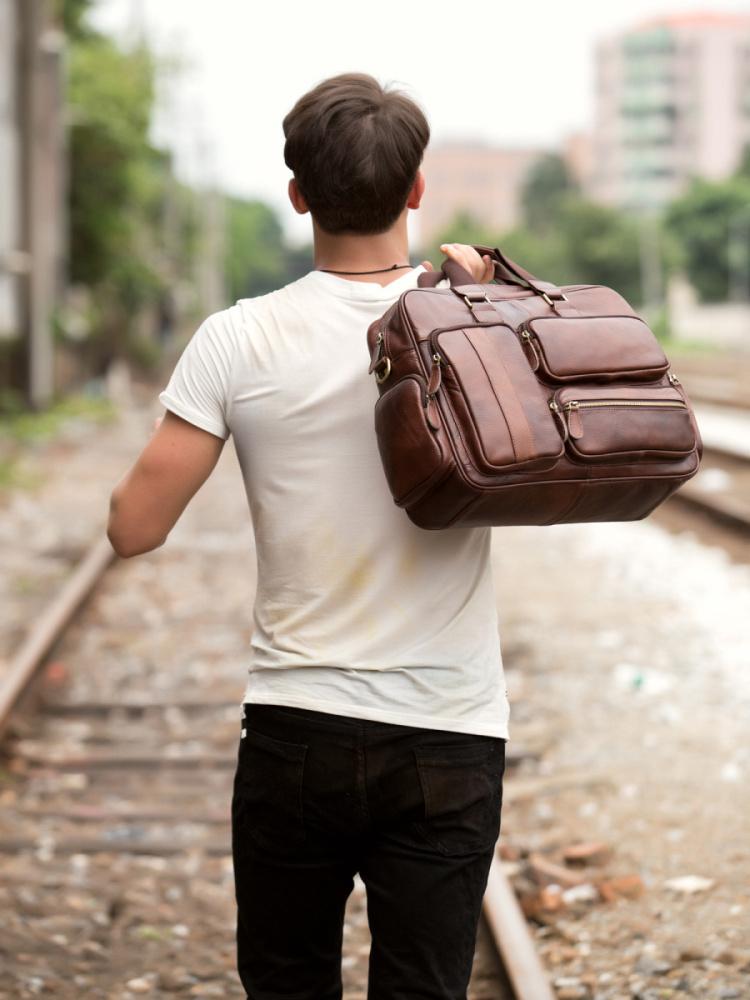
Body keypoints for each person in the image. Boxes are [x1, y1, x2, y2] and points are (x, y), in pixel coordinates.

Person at [107, 71, 510, 1000]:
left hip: (297, 734)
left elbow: (134, 529)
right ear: (415, 190)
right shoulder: (474, 320)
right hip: (448, 733)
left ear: (297, 196)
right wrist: (480, 303)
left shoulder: (236, 338)